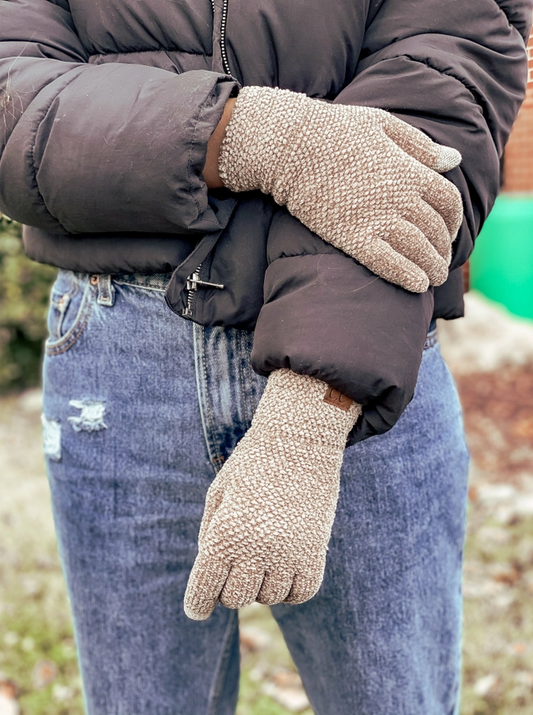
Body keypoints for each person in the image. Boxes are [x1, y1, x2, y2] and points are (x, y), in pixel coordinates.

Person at [0, 1, 531, 713]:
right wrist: (253, 136)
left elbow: (440, 96)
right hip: (119, 354)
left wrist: (311, 409)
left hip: (365, 363)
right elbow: (11, 96)